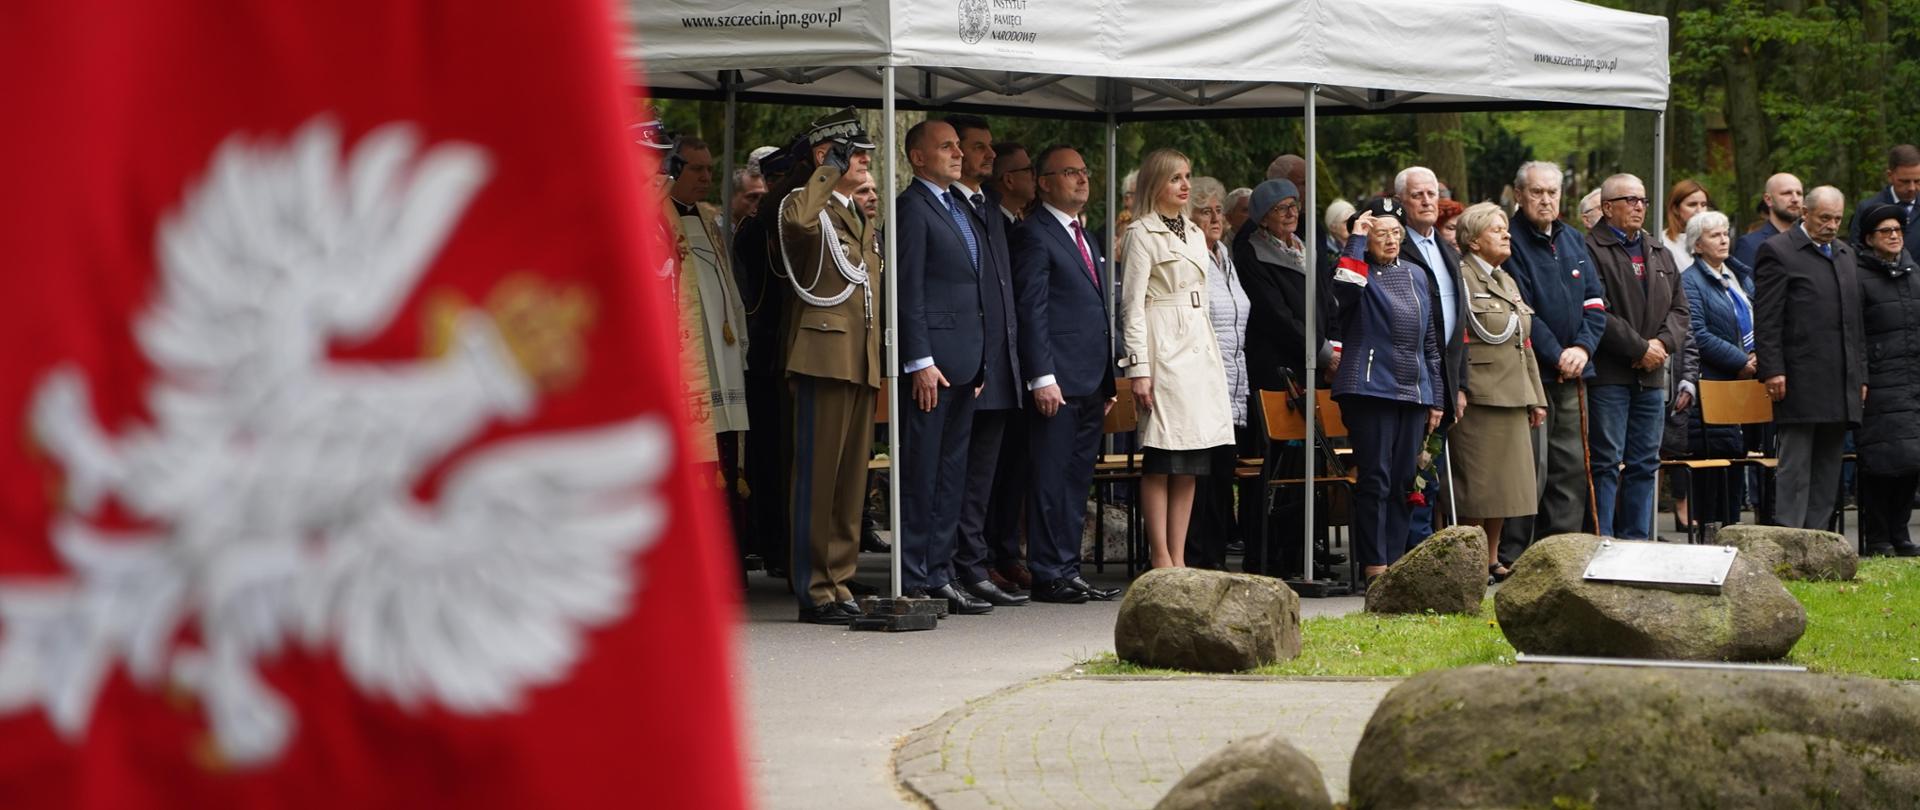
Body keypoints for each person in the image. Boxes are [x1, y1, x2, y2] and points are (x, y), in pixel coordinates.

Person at [777, 109, 883, 624]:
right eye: (852, 153)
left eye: (862, 153)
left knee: (847, 484)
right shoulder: (806, 204)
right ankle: (813, 588)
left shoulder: (857, 215)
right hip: (823, 357)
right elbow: (796, 226)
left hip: (859, 359)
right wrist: (824, 172)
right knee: (818, 480)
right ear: (826, 156)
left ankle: (838, 581)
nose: (864, 161)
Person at [1011, 144, 1121, 603]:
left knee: (1077, 479)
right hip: (1058, 380)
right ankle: (1047, 571)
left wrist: (1109, 379)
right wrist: (1042, 376)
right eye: (1069, 172)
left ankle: (1068, 567)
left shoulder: (1086, 235)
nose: (1082, 179)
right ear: (1044, 182)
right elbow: (1032, 309)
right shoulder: (1034, 234)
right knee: (1050, 478)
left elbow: (1096, 309)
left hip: (1092, 380)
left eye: (1084, 171)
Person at [891, 119, 993, 615]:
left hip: (966, 363)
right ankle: (913, 575)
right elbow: (907, 290)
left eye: (958, 146)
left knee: (952, 473)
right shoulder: (911, 208)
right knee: (923, 471)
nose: (958, 154)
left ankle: (940, 572)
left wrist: (982, 361)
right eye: (946, 147)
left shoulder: (960, 208)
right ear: (917, 157)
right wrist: (920, 359)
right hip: (932, 366)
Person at [1119, 148, 1234, 570]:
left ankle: (1180, 555)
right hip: (1162, 342)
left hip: (1198, 345)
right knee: (1163, 456)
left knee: (1193, 457)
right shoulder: (1141, 234)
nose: (1185, 186)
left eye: (1187, 176)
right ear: (1156, 184)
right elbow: (1130, 307)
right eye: (1175, 179)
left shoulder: (1191, 230)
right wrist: (1139, 369)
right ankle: (1160, 556)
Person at [1329, 198, 1444, 585]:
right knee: (1375, 478)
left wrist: (1437, 397)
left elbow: (1430, 342)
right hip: (1368, 388)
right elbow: (1344, 292)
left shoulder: (1415, 274)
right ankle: (1374, 564)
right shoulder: (1354, 269)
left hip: (1413, 391)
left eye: (1396, 233)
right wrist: (1356, 240)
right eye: (1382, 235)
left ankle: (1396, 562)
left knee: (1402, 479)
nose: (1392, 241)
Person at [941, 114, 1030, 609]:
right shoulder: (949, 206)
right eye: (977, 147)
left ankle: (973, 565)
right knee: (957, 474)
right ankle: (956, 565)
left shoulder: (987, 207)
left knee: (982, 478)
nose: (987, 156)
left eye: (986, 147)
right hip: (964, 364)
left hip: (996, 365)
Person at [1500, 161, 1605, 563]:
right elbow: (1521, 308)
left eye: (1553, 193)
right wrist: (1556, 353)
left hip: (1575, 373)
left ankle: (1558, 556)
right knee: (1529, 470)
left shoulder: (1574, 240)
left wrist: (1582, 349)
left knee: (1571, 468)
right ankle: (1515, 557)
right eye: (1537, 192)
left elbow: (1596, 304)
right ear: (1520, 194)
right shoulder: (1510, 241)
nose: (1546, 200)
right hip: (1531, 374)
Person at [1234, 178, 1336, 577]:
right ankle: (1267, 553)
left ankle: (1301, 550)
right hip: (1277, 370)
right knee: (1274, 465)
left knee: (1305, 463)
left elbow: (1323, 303)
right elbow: (1277, 317)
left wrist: (1331, 347)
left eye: (1294, 205)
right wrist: (1322, 354)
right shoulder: (1253, 256)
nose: (1292, 213)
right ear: (1262, 218)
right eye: (1281, 208)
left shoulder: (1302, 249)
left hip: (1312, 365)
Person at [1754, 186, 1867, 531]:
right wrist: (1772, 370)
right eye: (1824, 218)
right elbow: (1768, 318)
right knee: (1796, 465)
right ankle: (1789, 536)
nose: (1832, 225)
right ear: (1805, 212)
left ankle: (1818, 538)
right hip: (1799, 377)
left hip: (1840, 378)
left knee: (1829, 465)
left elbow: (1855, 323)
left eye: (1837, 218)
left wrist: (1860, 376)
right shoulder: (1778, 251)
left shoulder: (1846, 254)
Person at [1584, 173, 1689, 540]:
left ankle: (1638, 541)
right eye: (1630, 200)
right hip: (1611, 374)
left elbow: (1680, 310)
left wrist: (1660, 346)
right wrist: (1639, 348)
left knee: (1646, 462)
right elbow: (1598, 311)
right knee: (1607, 462)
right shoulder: (1590, 249)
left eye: (1642, 200)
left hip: (1650, 375)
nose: (1639, 206)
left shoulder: (1658, 251)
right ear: (1607, 207)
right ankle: (1606, 540)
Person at [1446, 203, 1547, 582]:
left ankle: (1491, 559)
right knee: (1478, 485)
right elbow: (1455, 339)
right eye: (1496, 229)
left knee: (1506, 486)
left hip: (1513, 392)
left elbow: (1524, 343)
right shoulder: (1462, 276)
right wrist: (1458, 387)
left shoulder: (1506, 279)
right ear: (1473, 240)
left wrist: (1536, 396)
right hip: (1480, 393)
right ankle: (1470, 561)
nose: (1506, 234)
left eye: (1506, 228)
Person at [666, 135, 753, 574]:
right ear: (673, 170)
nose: (705, 178)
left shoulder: (710, 217)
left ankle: (729, 565)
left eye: (708, 169)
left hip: (722, 354)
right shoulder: (659, 220)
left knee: (730, 460)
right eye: (696, 169)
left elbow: (729, 289)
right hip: (690, 359)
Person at [1396, 166, 1469, 543]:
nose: (1428, 202)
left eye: (1432, 194)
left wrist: (1460, 385)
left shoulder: (1445, 249)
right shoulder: (1395, 246)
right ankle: (1409, 552)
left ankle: (1422, 549)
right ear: (1401, 202)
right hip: (1412, 379)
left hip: (1445, 379)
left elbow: (1459, 326)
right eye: (1418, 195)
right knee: (1412, 472)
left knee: (1428, 470)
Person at [1185, 177, 1254, 571]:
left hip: (1233, 382)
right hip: (1201, 383)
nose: (1214, 218)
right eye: (1204, 211)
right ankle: (1197, 561)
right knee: (1201, 479)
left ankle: (1214, 561)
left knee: (1221, 480)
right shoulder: (1189, 255)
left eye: (1217, 211)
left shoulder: (1223, 255)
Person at [1678, 210, 1756, 529]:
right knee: (1713, 473)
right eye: (1714, 235)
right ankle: (1712, 540)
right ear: (1697, 246)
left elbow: (1752, 318)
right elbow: (1696, 332)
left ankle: (1734, 537)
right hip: (1713, 384)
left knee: (1738, 463)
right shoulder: (1690, 281)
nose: (1724, 239)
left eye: (1726, 233)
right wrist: (1741, 361)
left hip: (1746, 386)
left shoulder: (1738, 275)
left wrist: (1758, 356)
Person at [1851, 203, 1920, 556]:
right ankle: (1878, 535)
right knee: (1880, 462)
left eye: (1898, 230)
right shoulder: (1858, 276)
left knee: (1911, 461)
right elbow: (1855, 334)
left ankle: (1900, 532)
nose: (1894, 236)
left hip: (1911, 381)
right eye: (1885, 231)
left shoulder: (1913, 273)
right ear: (1868, 238)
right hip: (1877, 383)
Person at [1851, 145, 1920, 246]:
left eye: (1917, 181)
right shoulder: (1869, 209)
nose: (1912, 188)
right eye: (1904, 181)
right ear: (1890, 176)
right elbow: (1854, 251)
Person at [1732, 173, 1804, 270]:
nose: (1795, 199)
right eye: (1787, 193)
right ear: (1768, 199)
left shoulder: (1811, 240)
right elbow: (1746, 284)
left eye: (1799, 194)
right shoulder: (1751, 244)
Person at [1662, 179, 1710, 260]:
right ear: (1675, 209)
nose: (1699, 211)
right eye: (1692, 205)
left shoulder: (1713, 239)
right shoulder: (1662, 242)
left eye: (1703, 204)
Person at [990, 141, 1035, 225]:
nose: (1034, 176)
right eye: (1028, 169)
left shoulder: (1013, 221)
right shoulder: (993, 226)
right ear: (1008, 180)